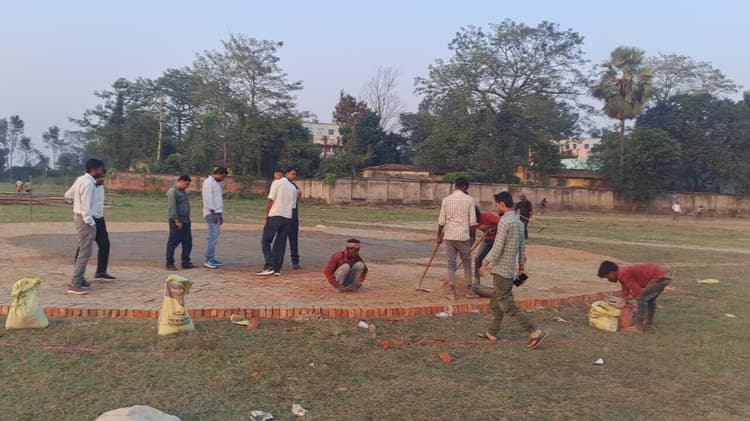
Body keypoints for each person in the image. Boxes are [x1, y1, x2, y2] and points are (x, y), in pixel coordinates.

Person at [481, 191, 547, 348]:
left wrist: (485, 263)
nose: (495, 207)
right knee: (496, 301)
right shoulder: (519, 223)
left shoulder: (504, 221)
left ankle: (534, 331)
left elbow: (498, 246)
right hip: (509, 270)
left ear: (502, 204)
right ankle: (492, 332)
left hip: (501, 271)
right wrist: (521, 268)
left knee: (507, 305)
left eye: (496, 205)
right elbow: (522, 248)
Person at [65, 158, 105, 295]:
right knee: (85, 252)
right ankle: (75, 282)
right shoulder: (88, 183)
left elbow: (68, 195)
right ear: (94, 169)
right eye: (100, 169)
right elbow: (85, 207)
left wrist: (75, 205)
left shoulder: (80, 180)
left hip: (79, 217)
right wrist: (90, 222)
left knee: (85, 251)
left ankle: (80, 278)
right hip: (85, 220)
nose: (102, 172)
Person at [597, 261, 671, 333]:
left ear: (611, 272)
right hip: (663, 276)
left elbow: (637, 291)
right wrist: (620, 300)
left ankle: (638, 327)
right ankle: (649, 324)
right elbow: (625, 291)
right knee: (650, 300)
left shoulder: (623, 274)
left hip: (658, 277)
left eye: (607, 277)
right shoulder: (622, 273)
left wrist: (624, 301)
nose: (608, 280)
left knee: (642, 299)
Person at [437, 177, 478, 300]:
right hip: (463, 236)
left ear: (455, 186)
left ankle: (452, 292)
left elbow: (441, 221)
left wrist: (438, 236)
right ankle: (469, 291)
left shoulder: (446, 200)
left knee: (451, 263)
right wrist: (473, 237)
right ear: (465, 187)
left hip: (449, 235)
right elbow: (473, 222)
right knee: (467, 263)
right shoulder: (470, 200)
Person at [257, 167, 298, 276]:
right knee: (280, 243)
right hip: (287, 217)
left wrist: (267, 213)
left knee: (266, 241)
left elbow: (271, 199)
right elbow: (293, 206)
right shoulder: (293, 188)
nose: (294, 176)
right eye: (293, 174)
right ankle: (277, 269)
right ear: (286, 174)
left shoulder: (277, 183)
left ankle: (269, 265)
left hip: (275, 215)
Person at [166, 175, 194, 270]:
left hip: (186, 220)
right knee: (173, 242)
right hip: (177, 221)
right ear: (181, 181)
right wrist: (177, 220)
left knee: (187, 242)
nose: (187, 186)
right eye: (186, 184)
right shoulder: (172, 192)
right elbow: (172, 207)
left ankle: (186, 262)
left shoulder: (184, 192)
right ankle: (170, 263)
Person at [202, 167, 228, 269]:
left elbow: (217, 199)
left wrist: (220, 214)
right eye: (223, 176)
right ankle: (208, 259)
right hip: (211, 213)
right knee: (213, 236)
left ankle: (211, 258)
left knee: (214, 236)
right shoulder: (208, 182)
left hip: (217, 212)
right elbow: (208, 199)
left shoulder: (216, 183)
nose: (223, 178)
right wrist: (212, 213)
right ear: (218, 173)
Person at [473, 208, 500, 286]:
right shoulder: (473, 222)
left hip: (498, 240)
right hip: (488, 240)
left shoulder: (487, 216)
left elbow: (502, 222)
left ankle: (499, 285)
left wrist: (493, 228)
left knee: (498, 261)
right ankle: (477, 281)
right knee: (477, 259)